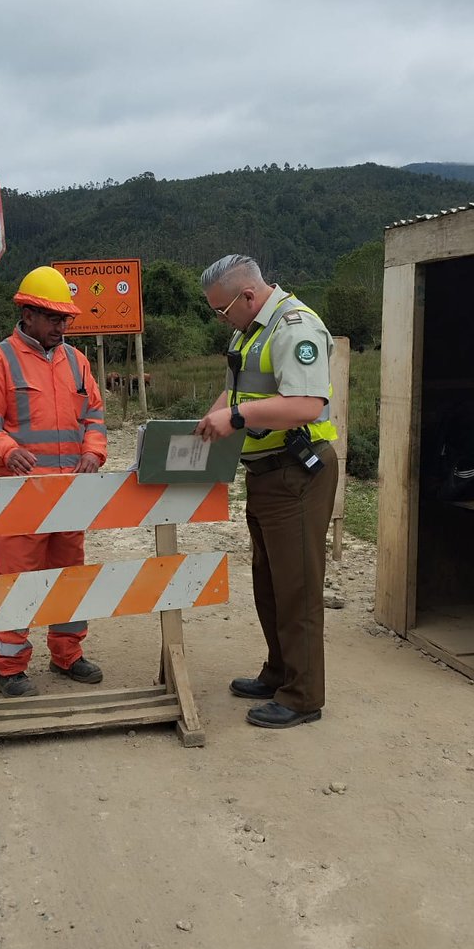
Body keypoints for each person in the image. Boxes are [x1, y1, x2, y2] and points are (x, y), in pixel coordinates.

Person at [195, 255, 338, 730]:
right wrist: (205, 422)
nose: (221, 319)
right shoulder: (248, 331)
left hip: (297, 473)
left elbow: (306, 404)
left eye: (222, 310)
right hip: (264, 472)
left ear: (248, 296)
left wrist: (235, 420)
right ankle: (278, 672)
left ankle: (302, 696)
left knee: (297, 587)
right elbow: (237, 392)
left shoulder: (295, 328)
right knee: (270, 582)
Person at [0, 266, 108, 698]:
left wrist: (93, 451)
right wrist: (7, 451)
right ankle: (8, 667)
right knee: (17, 582)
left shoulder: (77, 361)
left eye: (65, 319)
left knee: (69, 577)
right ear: (26, 315)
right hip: (20, 498)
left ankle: (68, 655)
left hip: (69, 495)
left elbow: (95, 416)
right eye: (52, 318)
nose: (61, 327)